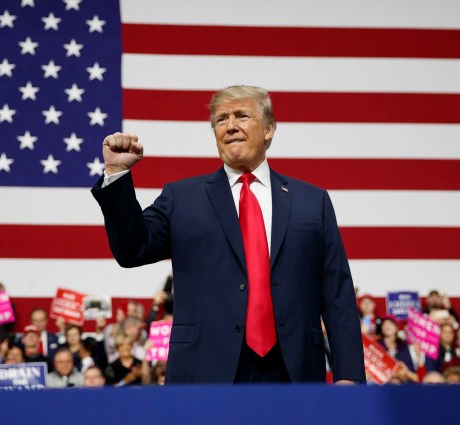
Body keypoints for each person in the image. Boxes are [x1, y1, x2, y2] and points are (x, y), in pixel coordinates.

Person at [91, 85, 365, 383]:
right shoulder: (182, 198)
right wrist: (117, 174)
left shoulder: (312, 202)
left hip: (293, 371)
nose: (230, 126)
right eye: (221, 119)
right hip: (204, 372)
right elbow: (133, 250)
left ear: (269, 129)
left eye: (242, 116)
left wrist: (349, 375)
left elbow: (337, 293)